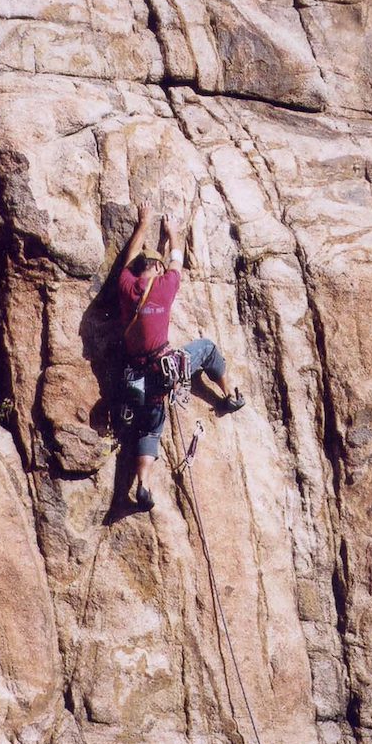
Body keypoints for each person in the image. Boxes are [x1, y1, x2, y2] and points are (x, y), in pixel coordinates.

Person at [118, 200, 245, 511]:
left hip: (136, 376)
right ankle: (229, 394)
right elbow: (177, 259)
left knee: (149, 428)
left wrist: (142, 224)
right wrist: (173, 232)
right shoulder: (165, 285)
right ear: (157, 268)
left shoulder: (126, 287)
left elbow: (129, 257)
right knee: (207, 348)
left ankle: (143, 483)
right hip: (165, 370)